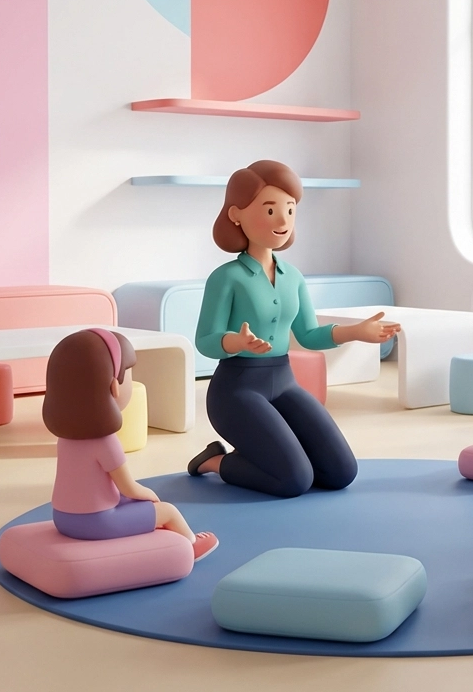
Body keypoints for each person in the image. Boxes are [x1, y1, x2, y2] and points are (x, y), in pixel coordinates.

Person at [187, 160, 400, 498]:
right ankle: (214, 462)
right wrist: (234, 341)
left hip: (284, 383)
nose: (283, 220)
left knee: (341, 472)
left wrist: (356, 332)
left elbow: (309, 335)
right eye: (270, 210)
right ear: (236, 215)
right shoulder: (226, 277)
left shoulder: (294, 277)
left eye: (290, 209)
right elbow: (205, 341)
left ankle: (266, 455)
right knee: (294, 481)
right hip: (236, 391)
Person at [43, 328, 217, 560]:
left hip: (63, 518)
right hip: (98, 522)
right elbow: (129, 488)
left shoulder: (65, 438)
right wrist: (151, 497)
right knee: (167, 511)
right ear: (114, 387)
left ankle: (146, 523)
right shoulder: (105, 442)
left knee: (134, 505)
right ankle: (192, 546)